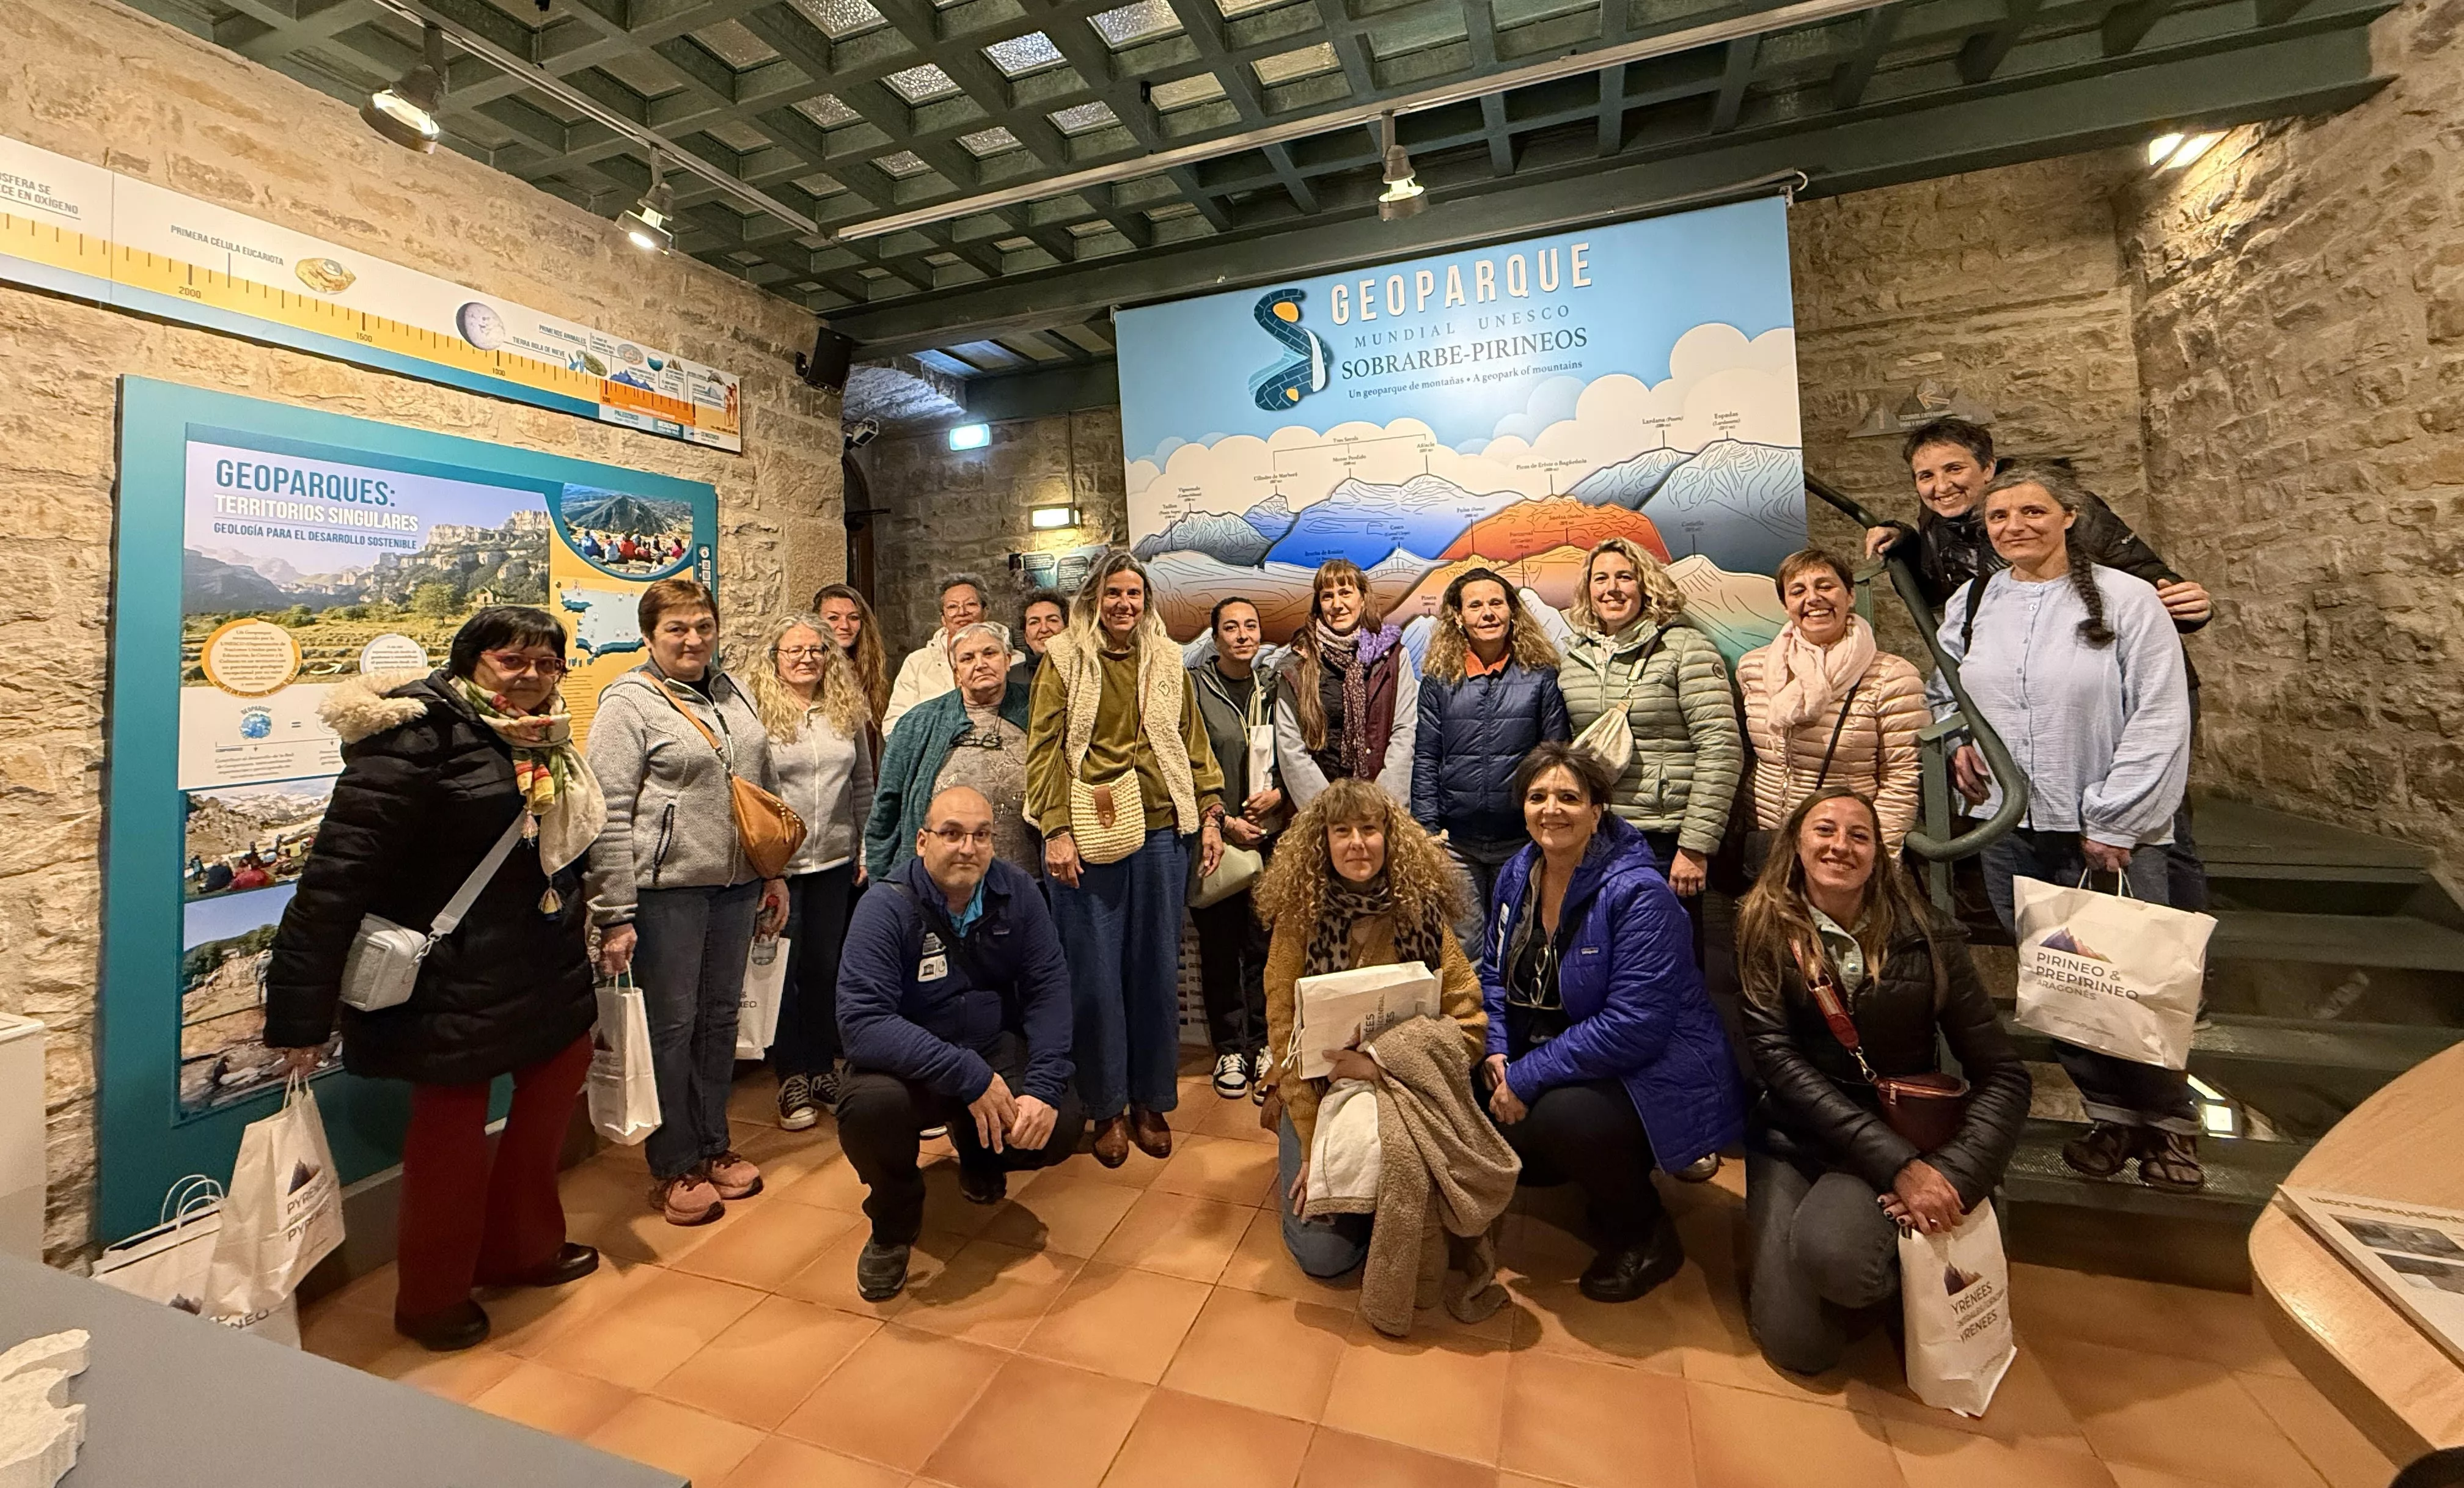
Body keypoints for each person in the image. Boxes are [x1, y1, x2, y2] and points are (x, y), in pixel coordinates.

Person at [264, 607, 607, 1351]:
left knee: (558, 1079)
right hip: (449, 973)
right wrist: (299, 1014)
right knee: (450, 1129)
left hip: (537, 958)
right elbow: (335, 877)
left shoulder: (546, 737)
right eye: (513, 661)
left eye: (548, 665)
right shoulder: (414, 735)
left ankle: (522, 1246)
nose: (533, 678)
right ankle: (432, 1294)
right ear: (471, 661)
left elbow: (555, 844)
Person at [1932, 463, 2197, 1189]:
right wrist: (1957, 743)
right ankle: (2107, 1115)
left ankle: (2170, 1126)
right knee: (2064, 980)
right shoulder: (1976, 597)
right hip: (2010, 821)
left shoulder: (2128, 598)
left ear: (2069, 515)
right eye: (1998, 518)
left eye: (2030, 512)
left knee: (2135, 976)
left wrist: (2117, 815)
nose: (2013, 527)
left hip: (2104, 825)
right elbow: (1944, 686)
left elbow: (2161, 711)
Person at [1736, 786, 2032, 1376]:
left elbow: (2003, 1074)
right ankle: (1884, 1232)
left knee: (1838, 1259)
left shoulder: (1927, 935)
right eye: (1824, 830)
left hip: (1897, 1132)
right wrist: (1896, 1164)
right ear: (1796, 842)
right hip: (1798, 1136)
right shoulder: (1762, 927)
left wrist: (1956, 1174)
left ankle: (1913, 1239)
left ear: (1880, 853)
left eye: (1858, 835)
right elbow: (1778, 1061)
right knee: (1799, 1347)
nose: (1840, 846)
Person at [1862, 418, 2214, 907]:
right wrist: (1960, 736)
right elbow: (1950, 678)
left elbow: (2155, 592)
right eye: (1926, 476)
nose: (1940, 486)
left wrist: (2116, 821)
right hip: (2017, 804)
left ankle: (2184, 952)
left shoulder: (2120, 587)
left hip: (2103, 746)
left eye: (1954, 468)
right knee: (2038, 949)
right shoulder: (1952, 553)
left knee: (2163, 863)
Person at [1478, 743, 1745, 1302]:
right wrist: (1498, 1052)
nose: (1552, 809)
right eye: (1538, 796)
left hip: (1652, 1066)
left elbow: (1634, 1025)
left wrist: (1526, 1078)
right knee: (1474, 1089)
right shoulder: (1517, 871)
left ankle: (1644, 1233)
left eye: (1569, 797)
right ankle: (1568, 1167)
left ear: (1598, 810)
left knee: (1564, 1115)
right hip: (1562, 1045)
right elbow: (1494, 973)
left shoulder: (1638, 893)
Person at [584, 578, 789, 1226]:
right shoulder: (628, 704)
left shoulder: (732, 690)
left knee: (720, 1020)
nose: (693, 639)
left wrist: (772, 871)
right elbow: (608, 813)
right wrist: (614, 909)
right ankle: (675, 1164)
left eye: (702, 625)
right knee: (672, 1029)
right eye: (677, 628)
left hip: (737, 886)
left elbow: (763, 785)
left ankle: (714, 1144)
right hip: (665, 892)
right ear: (650, 635)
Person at [835, 786, 1087, 1301]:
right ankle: (894, 1219)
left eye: (981, 835)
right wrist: (968, 1075)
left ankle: (979, 1149)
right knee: (868, 1109)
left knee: (1059, 1120)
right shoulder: (884, 907)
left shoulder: (1018, 892)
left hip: (991, 1046)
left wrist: (1040, 1085)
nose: (967, 847)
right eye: (951, 833)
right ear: (923, 840)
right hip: (915, 1064)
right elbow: (862, 1023)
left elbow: (1049, 987)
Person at [1028, 552, 1226, 1167]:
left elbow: (1193, 737)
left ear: (1147, 600)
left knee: (1155, 968)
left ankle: (1150, 1099)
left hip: (1165, 827)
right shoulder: (1063, 657)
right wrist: (1055, 829)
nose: (1124, 604)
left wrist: (1212, 812)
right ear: (1094, 597)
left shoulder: (1168, 657)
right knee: (1094, 972)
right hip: (1090, 829)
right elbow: (1045, 748)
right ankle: (1106, 1104)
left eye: (1135, 593)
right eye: (1113, 592)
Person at [1255, 777, 1487, 1277]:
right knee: (1324, 1256)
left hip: (1405, 1093)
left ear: (1390, 836)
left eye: (1369, 828)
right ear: (1324, 841)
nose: (1357, 842)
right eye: (1342, 830)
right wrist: (1318, 1146)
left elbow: (1469, 1024)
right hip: (1319, 1093)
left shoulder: (1420, 912)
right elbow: (1285, 1041)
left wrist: (1382, 1063)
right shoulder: (1298, 920)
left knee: (1425, 1214)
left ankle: (1384, 1194)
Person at [1555, 537, 1743, 930]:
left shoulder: (1684, 647)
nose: (1613, 589)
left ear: (1645, 585)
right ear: (1588, 590)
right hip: (1597, 836)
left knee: (1667, 961)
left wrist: (1695, 846)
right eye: (1601, 579)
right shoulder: (1573, 658)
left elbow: (1720, 747)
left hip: (1664, 837)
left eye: (1625, 577)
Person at [747, 613, 875, 1130]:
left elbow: (863, 782)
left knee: (826, 967)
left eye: (817, 650)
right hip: (781, 867)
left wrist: (867, 845)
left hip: (836, 862)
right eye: (794, 650)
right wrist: (764, 865)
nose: (807, 658)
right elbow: (749, 793)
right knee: (786, 973)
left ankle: (822, 1067)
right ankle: (791, 1075)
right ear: (774, 656)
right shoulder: (756, 712)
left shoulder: (845, 707)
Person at [1412, 566, 1571, 948]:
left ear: (1512, 611)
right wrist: (1427, 830)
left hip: (1520, 839)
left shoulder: (1540, 675)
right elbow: (1427, 756)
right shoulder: (1439, 678)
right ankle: (1471, 1011)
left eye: (1497, 603)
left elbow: (1556, 757)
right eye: (1476, 605)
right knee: (1465, 945)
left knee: (1516, 940)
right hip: (1457, 842)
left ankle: (1509, 1011)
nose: (1487, 613)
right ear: (1458, 616)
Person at [1736, 549, 1927, 850]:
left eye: (1825, 586)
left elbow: (1901, 779)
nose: (1813, 599)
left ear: (1850, 595)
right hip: (1770, 839)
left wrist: (1878, 855)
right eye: (1798, 591)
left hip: (1842, 847)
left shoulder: (1892, 676)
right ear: (1786, 606)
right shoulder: (1754, 669)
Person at [1189, 596, 1285, 1100]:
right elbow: (1183, 762)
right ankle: (1229, 1047)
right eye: (1231, 626)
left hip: (1275, 837)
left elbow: (1298, 750)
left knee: (1267, 946)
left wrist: (1281, 797)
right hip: (1217, 837)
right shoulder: (1195, 690)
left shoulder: (1276, 687)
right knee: (1221, 946)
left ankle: (1266, 1042)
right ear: (1215, 635)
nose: (1243, 635)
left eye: (1251, 625)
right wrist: (1223, 821)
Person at [868, 623, 1036, 879]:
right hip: (941, 881)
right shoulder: (917, 723)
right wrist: (883, 882)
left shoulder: (1039, 709)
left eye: (989, 654)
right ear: (957, 673)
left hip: (1027, 875)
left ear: (1008, 661)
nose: (980, 664)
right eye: (967, 658)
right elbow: (886, 808)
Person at [1275, 559, 1418, 810]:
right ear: (1319, 604)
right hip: (1321, 807)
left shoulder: (1393, 656)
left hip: (1381, 802)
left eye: (1345, 593)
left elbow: (1404, 730)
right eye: (1327, 596)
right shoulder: (1299, 661)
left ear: (1363, 599)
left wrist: (1383, 803)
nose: (1337, 605)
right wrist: (1326, 809)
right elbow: (1291, 743)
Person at [883, 573, 1011, 735]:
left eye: (971, 604)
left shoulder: (1012, 660)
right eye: (952, 607)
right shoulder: (918, 663)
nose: (962, 612)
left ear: (985, 611)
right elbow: (893, 726)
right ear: (943, 618)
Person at [813, 583, 892, 738]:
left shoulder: (868, 668)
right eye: (833, 618)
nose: (845, 625)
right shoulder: (811, 668)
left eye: (853, 618)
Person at [1009, 587, 1067, 692]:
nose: (1044, 629)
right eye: (1034, 622)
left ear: (1067, 628)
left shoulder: (1086, 672)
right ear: (1026, 636)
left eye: (1053, 620)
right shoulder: (1010, 679)